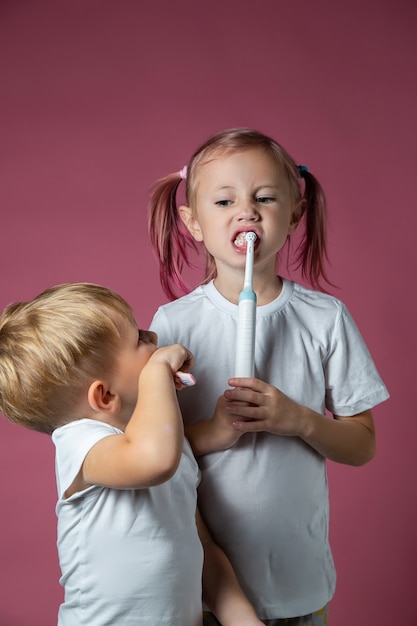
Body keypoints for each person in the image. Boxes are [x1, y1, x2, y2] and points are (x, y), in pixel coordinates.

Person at [147, 128, 390, 625]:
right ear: (192, 223)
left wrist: (297, 420)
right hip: (202, 588)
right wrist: (215, 432)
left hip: (299, 582)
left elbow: (362, 445)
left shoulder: (326, 318)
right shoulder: (172, 325)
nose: (247, 211)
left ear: (295, 214)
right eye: (223, 200)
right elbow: (152, 453)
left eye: (264, 197)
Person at [0, 282, 264, 626]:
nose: (154, 338)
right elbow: (152, 459)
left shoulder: (171, 448)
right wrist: (157, 372)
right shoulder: (80, 443)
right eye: (139, 339)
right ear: (106, 397)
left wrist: (242, 620)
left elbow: (204, 551)